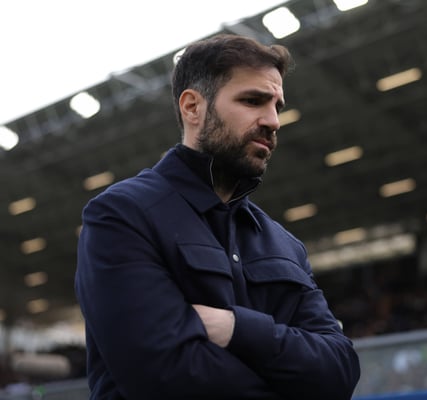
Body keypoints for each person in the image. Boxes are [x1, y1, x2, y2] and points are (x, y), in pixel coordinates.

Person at [75, 34, 360, 400]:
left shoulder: (286, 245)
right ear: (192, 107)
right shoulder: (121, 215)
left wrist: (237, 328)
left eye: (277, 106)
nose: (273, 121)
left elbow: (339, 371)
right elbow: (162, 377)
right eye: (253, 101)